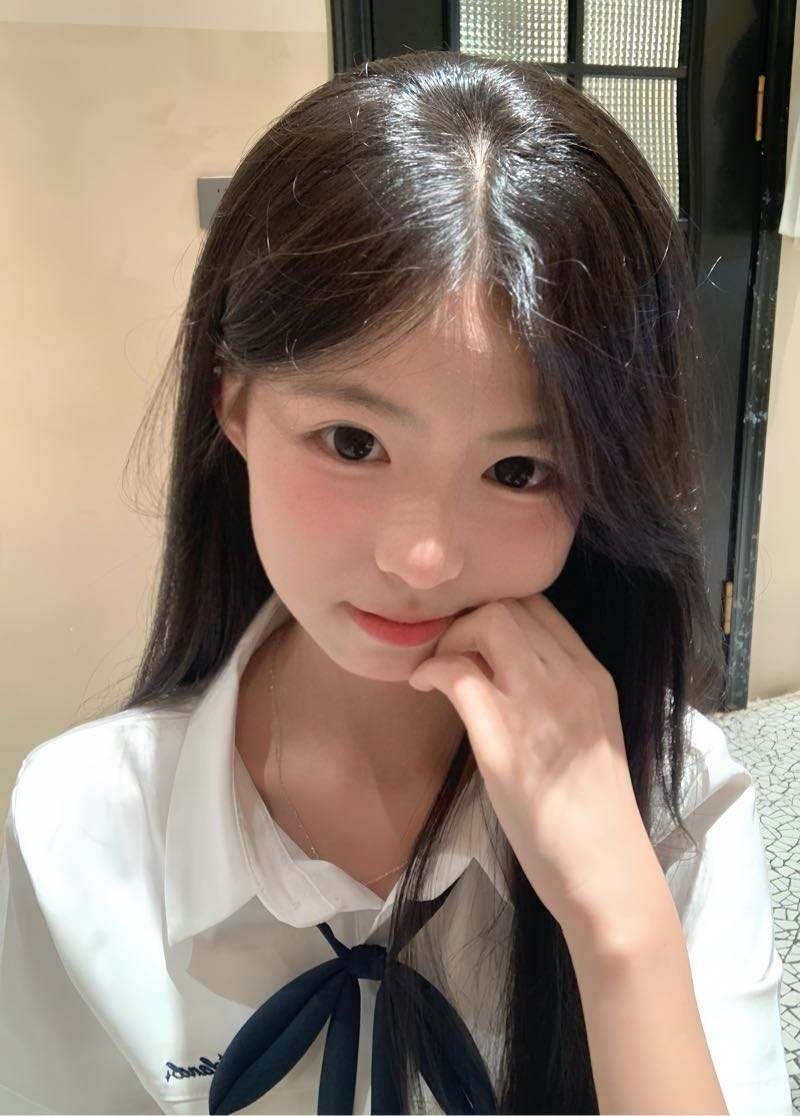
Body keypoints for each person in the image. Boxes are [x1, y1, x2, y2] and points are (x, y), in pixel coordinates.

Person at [0, 49, 792, 1116]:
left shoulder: (674, 795)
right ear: (232, 403)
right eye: (351, 441)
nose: (422, 560)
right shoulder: (77, 822)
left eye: (520, 470)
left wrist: (618, 925)